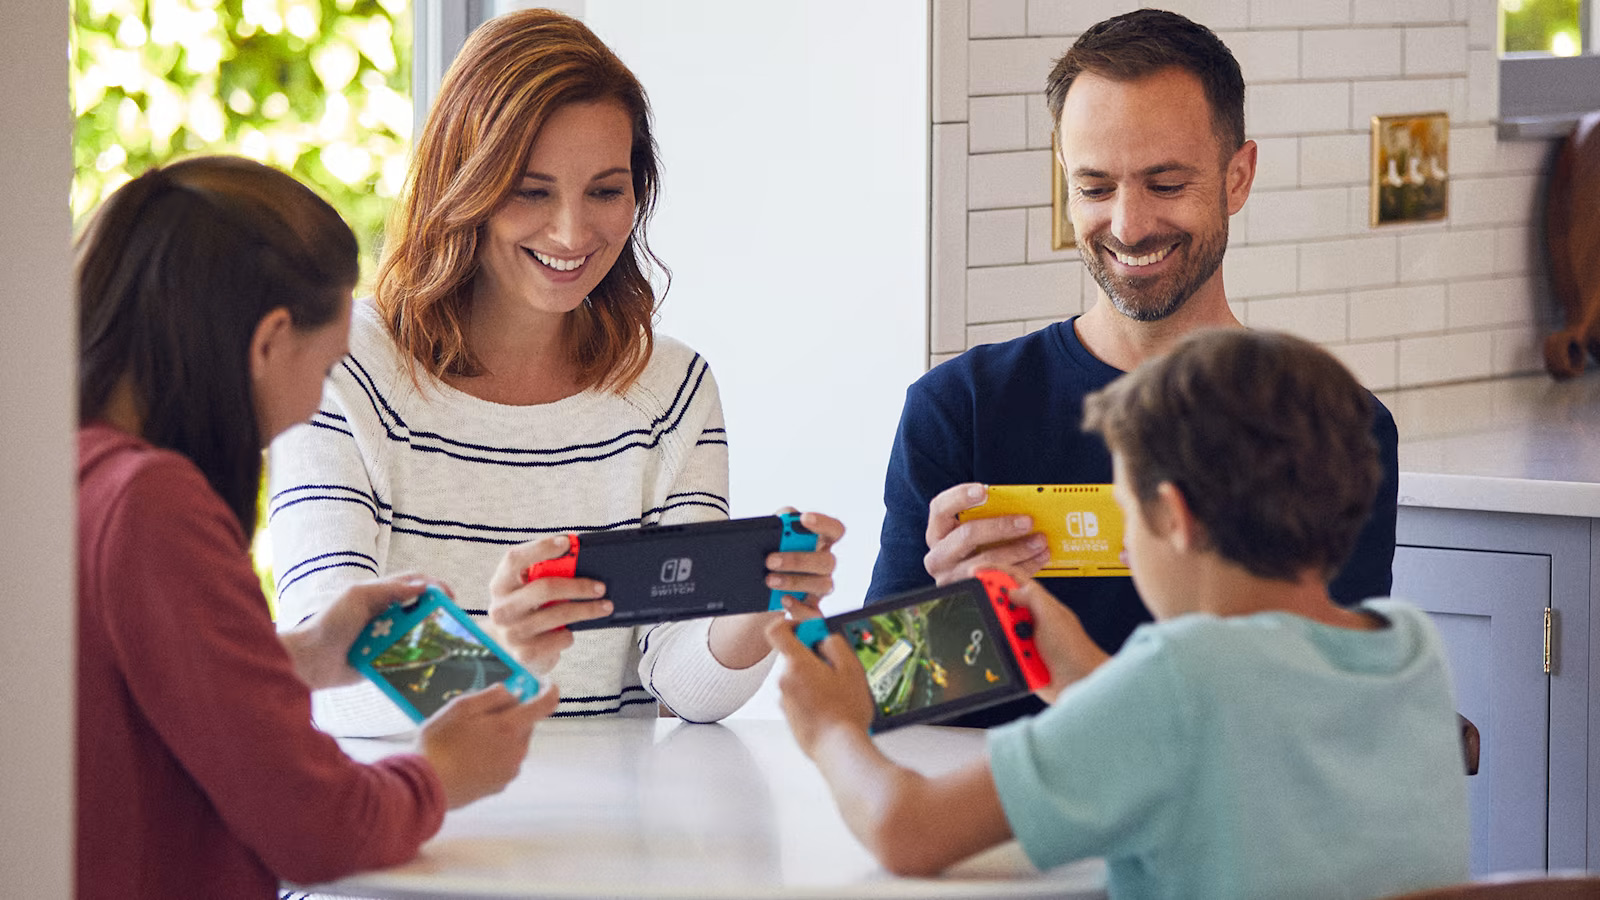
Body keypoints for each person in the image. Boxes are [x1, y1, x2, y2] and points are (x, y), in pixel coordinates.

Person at [267, 8, 843, 735]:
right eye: (531, 191)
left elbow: (687, 687)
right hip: (419, 827)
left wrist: (754, 600)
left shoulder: (671, 391)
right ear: (462, 183)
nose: (572, 233)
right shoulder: (344, 369)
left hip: (615, 834)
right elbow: (327, 669)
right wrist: (502, 658)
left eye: (605, 191)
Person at [770, 328, 1470, 899]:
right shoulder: (1407, 647)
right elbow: (1223, 744)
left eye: (1127, 515)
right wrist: (1075, 662)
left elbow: (908, 831)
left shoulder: (1182, 677)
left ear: (1176, 517)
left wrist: (830, 723)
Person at [867, 9, 1399, 727]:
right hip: (997, 831)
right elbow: (890, 697)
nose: (1128, 224)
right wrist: (957, 624)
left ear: (1237, 178)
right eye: (1094, 187)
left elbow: (1328, 716)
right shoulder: (957, 408)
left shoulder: (1333, 430)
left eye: (1166, 182)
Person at [76, 156, 558, 899]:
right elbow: (318, 827)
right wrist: (442, 772)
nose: (314, 405)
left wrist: (306, 655)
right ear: (269, 341)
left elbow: (127, 690)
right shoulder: (152, 501)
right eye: (328, 367)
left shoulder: (66, 474)